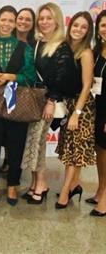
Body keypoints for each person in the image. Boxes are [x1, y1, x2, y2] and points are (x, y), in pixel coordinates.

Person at [21, 2, 79, 205]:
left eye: (49, 18)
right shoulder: (36, 42)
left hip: (47, 101)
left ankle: (41, 184)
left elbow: (63, 77)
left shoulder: (62, 46)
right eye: (42, 18)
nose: (44, 22)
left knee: (37, 143)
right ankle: (37, 183)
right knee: (34, 143)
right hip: (33, 99)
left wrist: (52, 101)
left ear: (57, 21)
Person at [0, 5, 35, 206]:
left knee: (16, 143)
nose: (6, 24)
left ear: (15, 24)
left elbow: (30, 75)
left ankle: (12, 184)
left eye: (10, 21)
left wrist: (12, 77)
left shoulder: (24, 47)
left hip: (16, 103)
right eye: (3, 20)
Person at [55, 11, 95, 209]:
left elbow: (87, 86)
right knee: (70, 150)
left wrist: (77, 114)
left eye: (84, 27)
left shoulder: (86, 53)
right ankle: (74, 185)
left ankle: (65, 192)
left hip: (82, 108)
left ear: (88, 32)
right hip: (68, 104)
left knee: (75, 152)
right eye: (76, 25)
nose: (78, 29)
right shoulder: (65, 48)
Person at [87, 10, 106, 217]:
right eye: (102, 25)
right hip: (97, 108)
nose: (105, 29)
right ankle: (101, 189)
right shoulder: (96, 52)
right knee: (101, 152)